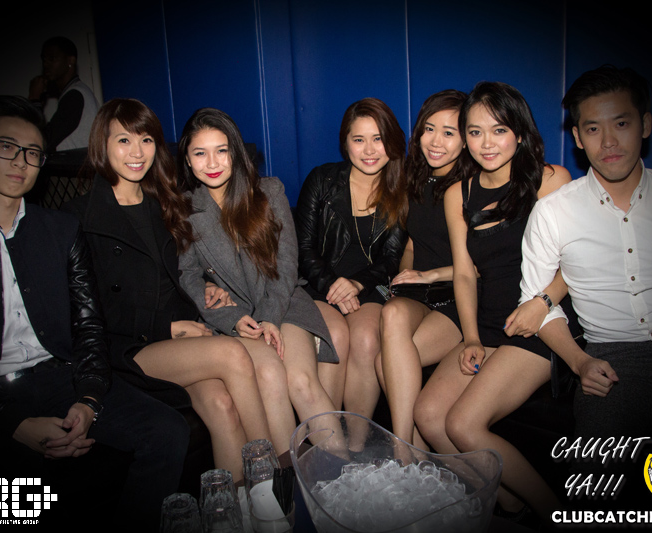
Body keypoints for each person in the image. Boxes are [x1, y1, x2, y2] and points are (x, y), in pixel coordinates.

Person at [0, 95, 189, 528]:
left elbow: (89, 324)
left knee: (168, 432)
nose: (20, 161)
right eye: (5, 147)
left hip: (60, 374)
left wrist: (88, 399)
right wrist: (13, 422)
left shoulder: (60, 229)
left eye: (32, 152)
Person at [62, 98, 273, 481]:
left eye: (146, 140)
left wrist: (207, 288)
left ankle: (241, 505)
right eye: (124, 141)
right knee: (233, 353)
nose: (137, 152)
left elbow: (182, 274)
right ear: (102, 146)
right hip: (126, 349)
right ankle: (273, 478)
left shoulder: (165, 205)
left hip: (178, 340)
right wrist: (168, 328)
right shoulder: (78, 217)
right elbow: (88, 311)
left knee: (223, 406)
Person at [517, 65, 652, 445]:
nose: (608, 142)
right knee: (593, 469)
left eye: (621, 124)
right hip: (614, 360)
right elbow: (537, 302)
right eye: (593, 129)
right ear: (578, 137)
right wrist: (580, 362)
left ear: (645, 125)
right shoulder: (553, 212)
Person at [413, 82, 571, 521]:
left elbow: (577, 263)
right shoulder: (458, 194)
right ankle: (508, 500)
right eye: (475, 131)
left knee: (463, 424)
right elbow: (465, 273)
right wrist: (469, 338)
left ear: (519, 132)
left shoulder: (551, 180)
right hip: (487, 322)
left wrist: (541, 303)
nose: (487, 143)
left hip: (541, 321)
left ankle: (556, 516)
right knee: (429, 416)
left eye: (499, 130)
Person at [176, 107, 339, 455]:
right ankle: (288, 478)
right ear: (187, 160)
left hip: (282, 301)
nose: (212, 162)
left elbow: (287, 262)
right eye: (200, 153)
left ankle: (345, 471)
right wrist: (232, 318)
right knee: (269, 374)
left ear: (235, 153)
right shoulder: (184, 209)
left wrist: (269, 316)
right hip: (233, 315)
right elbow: (187, 275)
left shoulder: (268, 191)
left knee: (301, 381)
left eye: (221, 150)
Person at [295, 97, 408, 428]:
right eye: (359, 139)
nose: (369, 150)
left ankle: (359, 445)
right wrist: (333, 284)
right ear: (346, 143)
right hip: (319, 283)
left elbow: (391, 258)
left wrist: (357, 283)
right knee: (335, 336)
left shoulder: (401, 189)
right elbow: (303, 248)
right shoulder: (322, 179)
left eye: (378, 139)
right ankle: (329, 444)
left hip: (369, 286)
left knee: (367, 339)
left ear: (391, 142)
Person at [379, 90, 466, 449]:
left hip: (459, 297)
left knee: (384, 364)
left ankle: (406, 453)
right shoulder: (417, 178)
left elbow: (480, 265)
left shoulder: (471, 188)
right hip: (424, 293)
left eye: (449, 132)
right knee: (393, 311)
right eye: (429, 129)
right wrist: (404, 279)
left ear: (467, 138)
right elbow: (413, 244)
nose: (435, 141)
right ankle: (409, 452)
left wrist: (427, 276)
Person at [29, 36, 99, 151]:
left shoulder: (75, 95)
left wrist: (34, 99)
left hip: (76, 162)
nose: (46, 64)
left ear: (71, 60)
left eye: (52, 58)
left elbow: (43, 140)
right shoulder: (77, 91)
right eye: (44, 60)